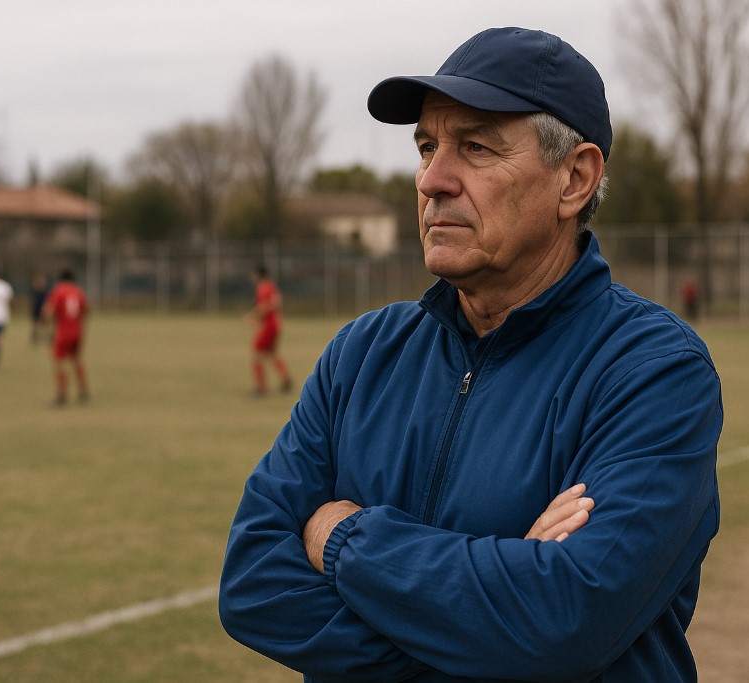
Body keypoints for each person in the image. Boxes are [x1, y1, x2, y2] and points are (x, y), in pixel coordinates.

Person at [220, 27, 722, 682]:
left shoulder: (653, 370)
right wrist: (492, 620)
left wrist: (342, 540)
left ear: (575, 178)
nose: (432, 179)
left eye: (475, 147)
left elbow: (566, 618)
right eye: (427, 146)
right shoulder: (362, 354)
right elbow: (253, 581)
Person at [43, 268, 90, 406]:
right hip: (77, 332)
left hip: (63, 333)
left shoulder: (58, 291)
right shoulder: (78, 291)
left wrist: (46, 321)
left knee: (59, 363)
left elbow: (49, 312)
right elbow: (86, 310)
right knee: (76, 359)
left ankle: (61, 395)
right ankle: (83, 390)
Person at [246, 265, 292, 396]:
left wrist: (252, 317)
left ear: (257, 275)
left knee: (256, 354)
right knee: (272, 353)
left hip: (269, 325)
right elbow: (277, 303)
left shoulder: (262, 288)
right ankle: (286, 380)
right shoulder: (272, 286)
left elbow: (264, 306)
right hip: (276, 324)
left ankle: (260, 388)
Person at [29, 272, 49, 344]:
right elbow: (33, 301)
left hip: (43, 309)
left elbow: (47, 301)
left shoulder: (45, 292)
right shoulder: (35, 292)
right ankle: (35, 337)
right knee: (35, 324)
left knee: (44, 325)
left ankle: (45, 338)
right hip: (36, 309)